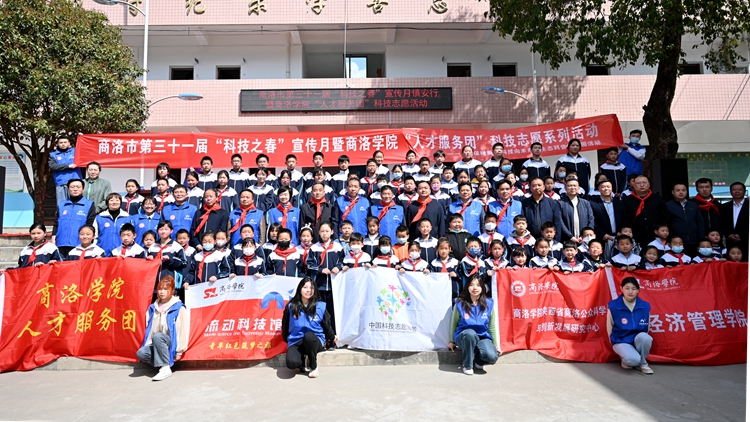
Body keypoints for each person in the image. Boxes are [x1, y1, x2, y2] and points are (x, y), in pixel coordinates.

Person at [136, 276, 189, 381]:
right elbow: (150, 329)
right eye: (160, 289)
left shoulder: (178, 307)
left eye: (165, 289)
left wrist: (179, 351)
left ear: (172, 290)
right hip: (156, 342)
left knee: (158, 336)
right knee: (141, 353)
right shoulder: (153, 307)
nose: (162, 292)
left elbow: (183, 330)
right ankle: (164, 365)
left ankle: (165, 368)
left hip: (169, 342)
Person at [282, 277, 336, 378]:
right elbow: (285, 324)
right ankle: (302, 362)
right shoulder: (291, 306)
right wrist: (286, 339)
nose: (308, 290)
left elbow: (326, 324)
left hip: (314, 340)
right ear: (300, 289)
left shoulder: (320, 306)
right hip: (296, 340)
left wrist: (332, 337)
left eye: (311, 288)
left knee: (309, 336)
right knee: (291, 363)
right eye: (305, 287)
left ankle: (313, 366)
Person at [448, 274, 500, 375]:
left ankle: (478, 361)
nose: (475, 288)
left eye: (478, 285)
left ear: (482, 287)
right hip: (465, 337)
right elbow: (454, 323)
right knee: (470, 334)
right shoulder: (460, 303)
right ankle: (467, 365)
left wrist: (495, 345)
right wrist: (451, 341)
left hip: (482, 337)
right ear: (467, 286)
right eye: (471, 285)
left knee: (492, 356)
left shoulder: (489, 303)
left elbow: (491, 326)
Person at [306, 222, 343, 343]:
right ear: (318, 233)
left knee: (333, 313)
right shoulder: (314, 248)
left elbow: (343, 261)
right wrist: (320, 270)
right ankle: (322, 338)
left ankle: (333, 338)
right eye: (322, 231)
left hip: (334, 286)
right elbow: (309, 264)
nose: (324, 233)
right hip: (320, 286)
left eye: (327, 231)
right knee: (320, 313)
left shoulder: (338, 247)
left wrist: (338, 267)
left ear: (332, 232)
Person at [607, 277, 653, 374]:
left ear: (638, 290)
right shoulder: (613, 306)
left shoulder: (645, 306)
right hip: (621, 341)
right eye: (627, 288)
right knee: (632, 360)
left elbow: (647, 327)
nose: (630, 292)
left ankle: (643, 364)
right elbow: (609, 326)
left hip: (637, 340)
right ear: (621, 288)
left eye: (633, 288)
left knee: (645, 337)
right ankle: (629, 358)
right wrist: (613, 341)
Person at [623, 176, 669, 247]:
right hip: (635, 237)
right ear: (634, 185)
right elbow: (625, 218)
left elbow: (665, 217)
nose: (642, 185)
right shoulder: (627, 200)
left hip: (655, 237)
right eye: (638, 183)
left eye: (644, 182)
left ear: (649, 184)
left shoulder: (657, 199)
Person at [589, 179, 625, 260]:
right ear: (599, 188)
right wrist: (603, 234)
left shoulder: (619, 203)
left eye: (608, 187)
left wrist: (621, 231)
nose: (606, 189)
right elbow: (592, 221)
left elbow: (624, 218)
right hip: (602, 238)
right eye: (603, 187)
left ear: (612, 188)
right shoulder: (593, 203)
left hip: (618, 237)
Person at [558, 179, 595, 243]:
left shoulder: (586, 203)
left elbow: (591, 219)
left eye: (574, 186)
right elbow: (560, 221)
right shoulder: (560, 203)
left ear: (579, 188)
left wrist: (585, 235)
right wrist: (571, 237)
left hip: (585, 239)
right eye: (570, 186)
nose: (572, 188)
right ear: (565, 188)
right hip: (568, 240)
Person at [49, 135, 82, 204]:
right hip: (61, 183)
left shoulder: (75, 152)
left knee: (77, 204)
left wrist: (82, 138)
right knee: (62, 205)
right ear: (57, 144)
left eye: (65, 142)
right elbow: (53, 166)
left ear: (69, 143)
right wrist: (68, 166)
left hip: (75, 183)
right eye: (61, 142)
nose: (63, 144)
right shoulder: (53, 155)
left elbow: (86, 150)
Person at [720, 182, 749, 257]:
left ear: (744, 191)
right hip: (730, 242)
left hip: (747, 240)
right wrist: (729, 235)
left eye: (740, 189)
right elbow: (722, 223)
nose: (737, 191)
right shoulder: (724, 207)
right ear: (730, 191)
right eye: (734, 189)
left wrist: (741, 235)